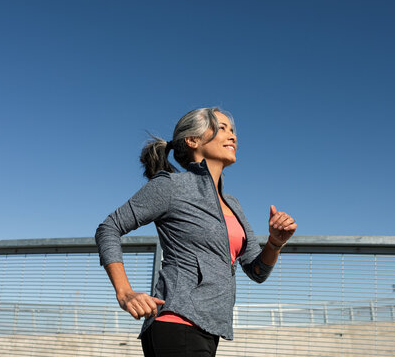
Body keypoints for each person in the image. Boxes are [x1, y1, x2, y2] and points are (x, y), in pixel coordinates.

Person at [95, 107, 297, 356]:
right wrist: (125, 292)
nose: (232, 136)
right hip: (175, 321)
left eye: (233, 130)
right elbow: (109, 228)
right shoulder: (170, 186)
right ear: (192, 140)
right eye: (221, 128)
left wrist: (275, 243)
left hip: (210, 329)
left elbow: (257, 272)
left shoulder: (233, 205)